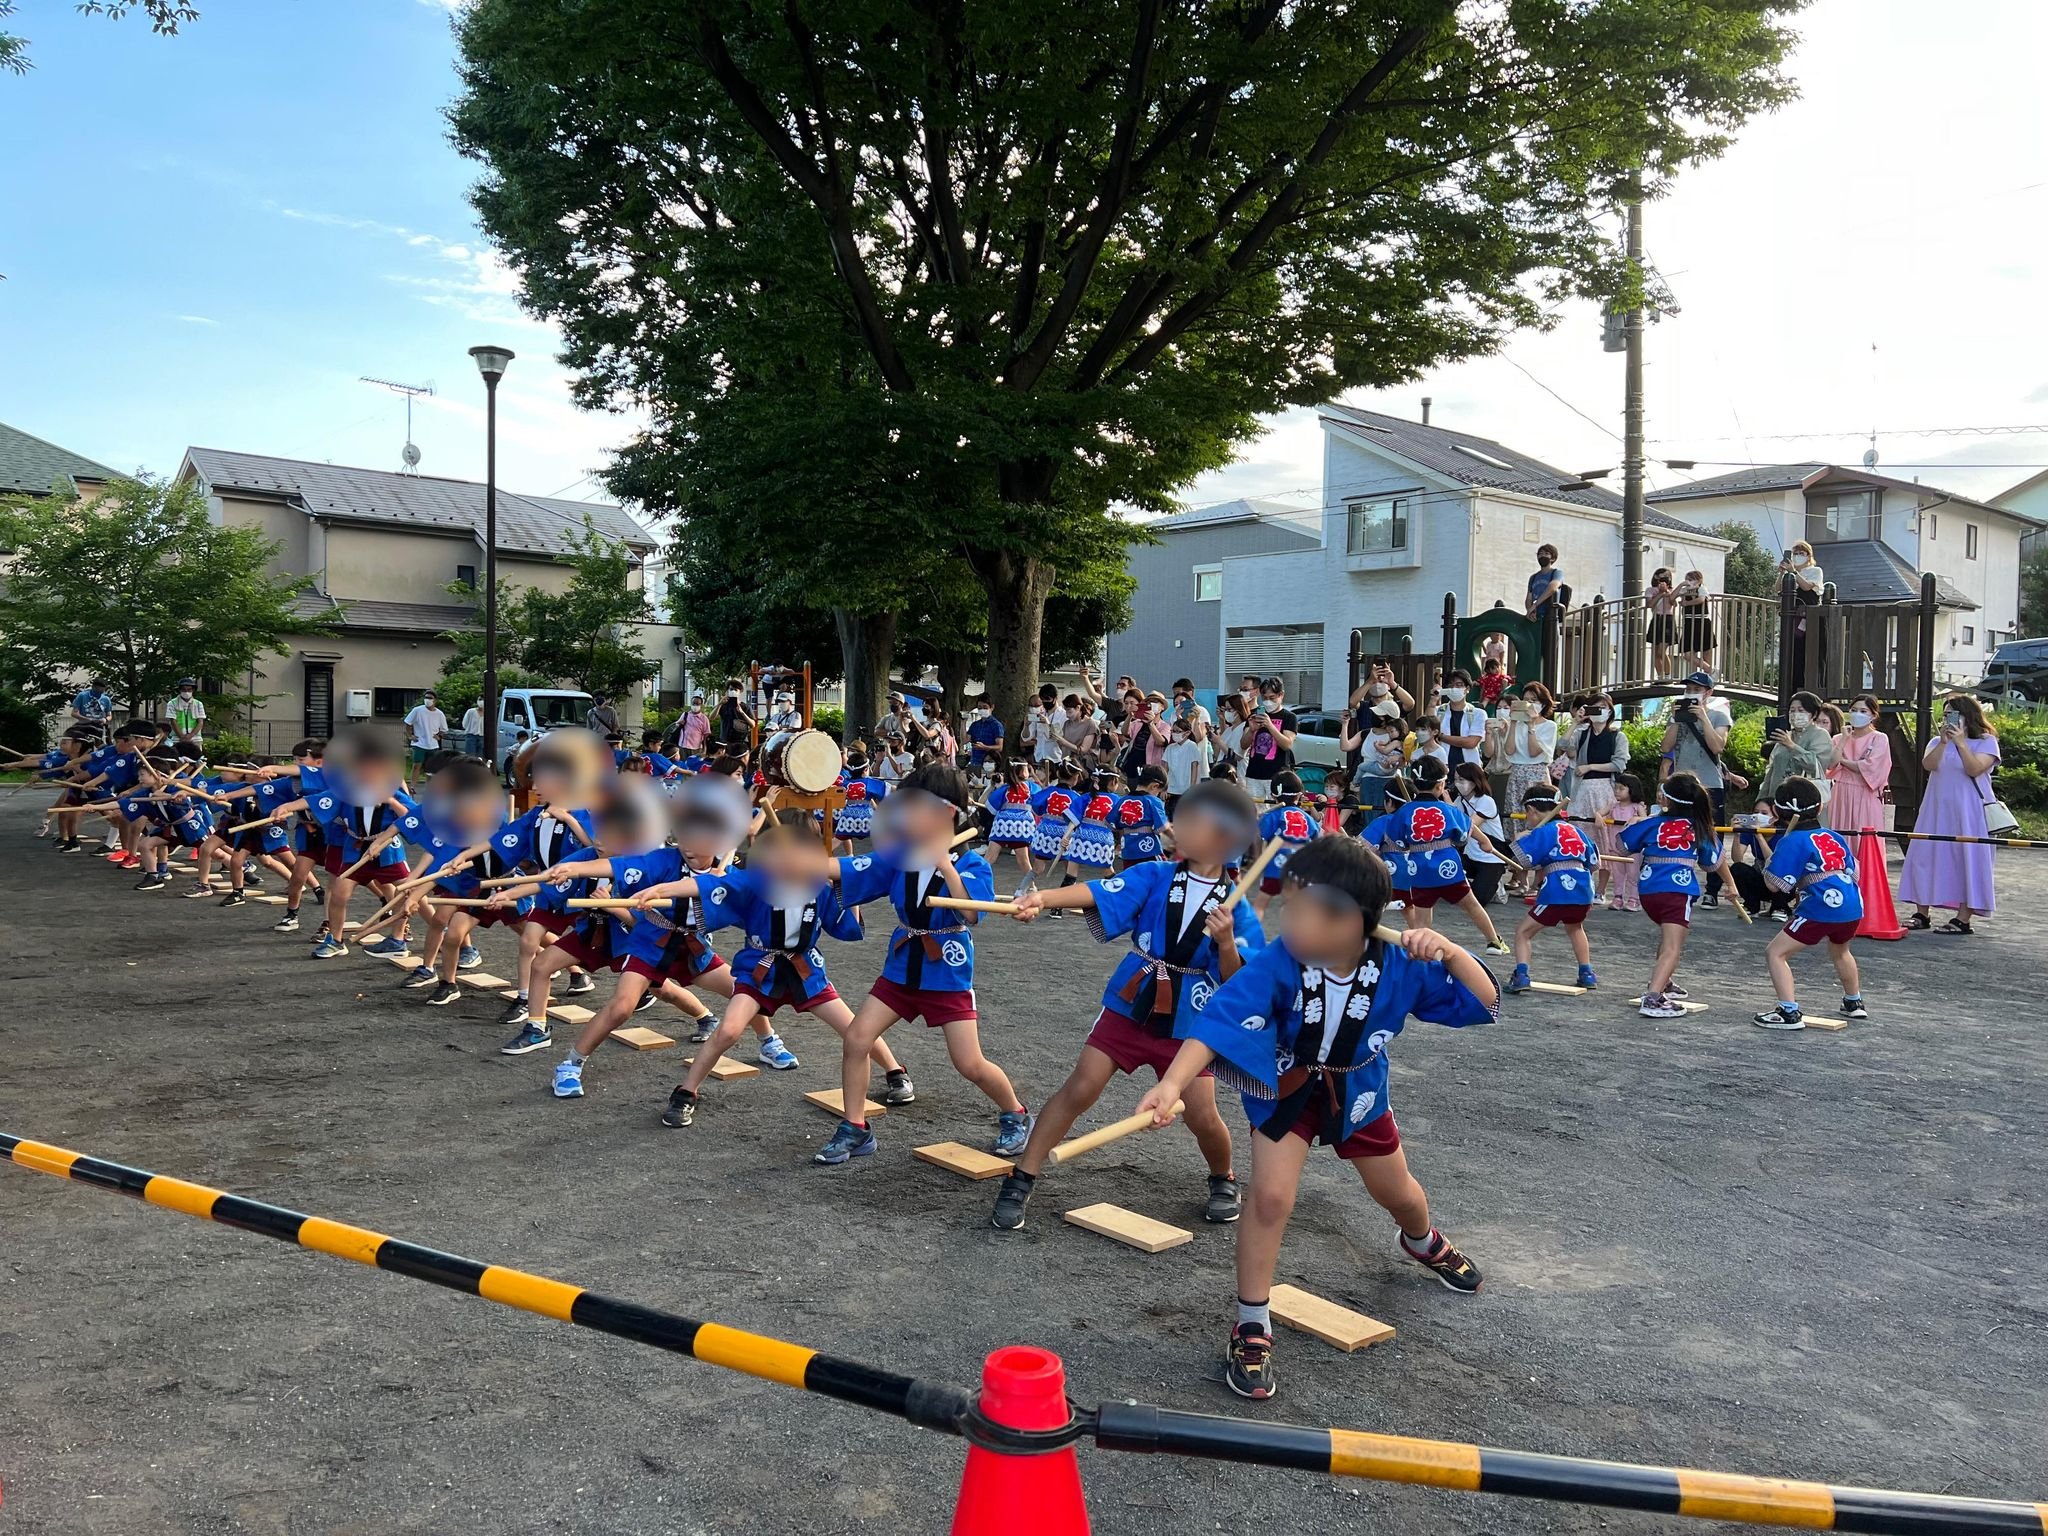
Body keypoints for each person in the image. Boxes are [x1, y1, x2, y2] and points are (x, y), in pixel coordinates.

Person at [1136, 835, 1499, 1401]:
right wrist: (1171, 1084)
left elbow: (1483, 1002)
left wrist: (1450, 951)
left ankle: (1422, 1240)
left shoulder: (1401, 962)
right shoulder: (1281, 960)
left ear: (1360, 922)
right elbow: (1218, 1022)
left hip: (1358, 1089)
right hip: (1287, 1084)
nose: (1296, 922)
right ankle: (1251, 1323)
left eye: (1315, 913)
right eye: (1293, 906)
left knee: (1399, 1192)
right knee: (1271, 1198)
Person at [991, 779, 1266, 1233]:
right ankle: (1022, 1177)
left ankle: (1223, 1178)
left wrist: (1224, 943)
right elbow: (1100, 892)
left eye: (1195, 820)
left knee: (1201, 1115)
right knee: (1080, 1087)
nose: (1180, 826)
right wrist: (1044, 897)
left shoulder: (1240, 911)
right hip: (1132, 997)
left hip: (1191, 1018)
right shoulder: (1156, 874)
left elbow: (1239, 983)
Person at [819, 763, 1031, 1165]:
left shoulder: (972, 863)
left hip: (946, 969)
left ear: (946, 812)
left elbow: (972, 914)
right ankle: (855, 1127)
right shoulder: (899, 855)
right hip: (903, 964)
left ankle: (1016, 1114)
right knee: (857, 1038)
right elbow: (848, 869)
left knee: (969, 1063)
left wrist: (946, 865)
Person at [1751, 778, 1868, 1030]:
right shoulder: (1833, 835)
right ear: (1818, 808)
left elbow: (1775, 885)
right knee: (1841, 950)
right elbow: (1854, 870)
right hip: (1852, 902)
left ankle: (1788, 1011)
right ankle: (1854, 1002)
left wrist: (1771, 859)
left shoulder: (1793, 840)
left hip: (1821, 905)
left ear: (1779, 812)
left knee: (1776, 952)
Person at [1618, 772, 1734, 1019]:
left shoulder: (1650, 823)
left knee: (1668, 938)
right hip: (1677, 892)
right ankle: (1653, 997)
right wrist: (1731, 885)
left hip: (1648, 891)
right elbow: (1713, 862)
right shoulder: (1699, 827)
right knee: (1673, 946)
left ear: (1666, 800)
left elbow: (1621, 846)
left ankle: (1665, 981)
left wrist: (1639, 823)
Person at [1898, 693, 2001, 935]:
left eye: (1953, 715)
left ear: (1968, 717)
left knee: (1968, 859)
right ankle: (1921, 912)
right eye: (1944, 715)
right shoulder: (1936, 741)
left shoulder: (1986, 741)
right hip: (1936, 809)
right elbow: (1928, 766)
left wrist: (1962, 743)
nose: (1948, 720)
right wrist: (1945, 742)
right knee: (1926, 855)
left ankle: (1963, 918)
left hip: (1970, 811)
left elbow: (1975, 769)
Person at [1385, 757, 1510, 953]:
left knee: (1422, 915)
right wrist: (1485, 842)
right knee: (1472, 905)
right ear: (1440, 785)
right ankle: (1494, 941)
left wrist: (1411, 846)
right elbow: (1465, 832)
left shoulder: (1404, 812)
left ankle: (1420, 949)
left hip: (1419, 869)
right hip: (1447, 867)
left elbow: (1396, 842)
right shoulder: (1447, 809)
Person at [1504, 785, 1598, 994]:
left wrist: (1521, 841)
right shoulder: (1576, 830)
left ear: (1532, 810)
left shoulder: (1543, 832)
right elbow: (1594, 863)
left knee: (1523, 932)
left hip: (1557, 891)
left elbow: (1521, 862)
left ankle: (1521, 975)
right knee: (1575, 927)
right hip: (1583, 890)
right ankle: (1587, 972)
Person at [1565, 693, 1628, 899]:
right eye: (1594, 707)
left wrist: (1590, 766)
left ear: (1610, 711)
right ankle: (1583, 884)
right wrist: (1576, 722)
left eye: (1603, 707)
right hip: (1581, 790)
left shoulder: (1617, 736)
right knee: (1581, 835)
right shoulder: (1582, 733)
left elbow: (1619, 764)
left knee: (1604, 839)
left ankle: (1601, 890)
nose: (1599, 711)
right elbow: (1563, 746)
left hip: (1605, 789)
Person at [1250, 772, 1321, 922]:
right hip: (1301, 867)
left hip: (1277, 864)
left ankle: (1251, 937)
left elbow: (1257, 837)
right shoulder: (1307, 818)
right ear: (1299, 795)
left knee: (1260, 904)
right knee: (1297, 907)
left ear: (1274, 795)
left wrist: (1257, 859)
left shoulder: (1272, 816)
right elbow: (1316, 842)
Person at [1758, 691, 1838, 808]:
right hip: (1778, 799)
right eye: (1792, 710)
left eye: (1801, 710)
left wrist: (1792, 746)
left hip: (1805, 801)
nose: (1795, 714)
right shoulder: (1787, 735)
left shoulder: (1820, 735)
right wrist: (1762, 800)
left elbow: (1815, 766)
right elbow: (1772, 771)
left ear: (1814, 714)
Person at [1829, 694, 1892, 835]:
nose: (1857, 714)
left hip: (1865, 793)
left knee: (1864, 837)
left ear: (1873, 715)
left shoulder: (1879, 738)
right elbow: (1831, 763)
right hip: (1840, 793)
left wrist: (1843, 761)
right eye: (1854, 710)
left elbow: (1870, 767)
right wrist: (1844, 739)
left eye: (1863, 711)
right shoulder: (1838, 738)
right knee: (1840, 834)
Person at [1502, 683, 1559, 837]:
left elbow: (1534, 752)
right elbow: (1509, 750)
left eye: (1534, 700)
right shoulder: (1517, 724)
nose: (1529, 704)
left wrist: (1531, 725)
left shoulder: (1549, 726)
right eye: (1525, 700)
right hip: (1516, 775)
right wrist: (1513, 721)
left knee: (1539, 815)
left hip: (1537, 775)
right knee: (1515, 817)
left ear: (1543, 703)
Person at [1450, 762, 1509, 907]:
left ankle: (1494, 883)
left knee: (1478, 900)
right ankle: (1473, 880)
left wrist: (1446, 800)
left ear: (1474, 781)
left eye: (1462, 780)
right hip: (1469, 854)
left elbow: (1469, 825)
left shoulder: (1486, 801)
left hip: (1491, 856)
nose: (1457, 783)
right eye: (1456, 779)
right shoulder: (1460, 800)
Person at [1242, 679, 1297, 802]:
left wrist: (1270, 726)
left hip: (1276, 774)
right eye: (1265, 698)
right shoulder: (1254, 715)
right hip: (1253, 772)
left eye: (1272, 698)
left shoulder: (1289, 717)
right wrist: (1251, 731)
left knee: (1274, 809)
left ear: (1281, 695)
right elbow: (1243, 744)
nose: (1268, 702)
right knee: (1255, 811)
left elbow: (1287, 744)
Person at [1603, 773, 1647, 912]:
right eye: (1616, 788)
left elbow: (1646, 820)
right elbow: (1599, 813)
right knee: (1618, 874)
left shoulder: (1637, 807)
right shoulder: (1613, 806)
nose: (1617, 791)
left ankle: (1634, 898)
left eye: (1621, 789)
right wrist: (1599, 817)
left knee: (1633, 874)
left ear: (1631, 790)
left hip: (1633, 848)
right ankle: (1618, 897)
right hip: (1615, 847)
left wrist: (1636, 819)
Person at [1436, 670, 1487, 772]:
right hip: (1442, 767)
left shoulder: (1478, 714)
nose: (1454, 688)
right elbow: (1428, 730)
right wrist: (1433, 700)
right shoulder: (1438, 711)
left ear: (1467, 688)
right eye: (1451, 685)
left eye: (1459, 685)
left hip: (1470, 769)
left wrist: (1441, 737)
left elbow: (1471, 743)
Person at [1677, 570, 1716, 673]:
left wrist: (1687, 603)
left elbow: (1701, 600)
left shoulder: (1702, 588)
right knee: (1687, 653)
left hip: (1702, 621)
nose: (1689, 582)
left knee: (1706, 650)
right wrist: (1681, 585)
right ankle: (1709, 670)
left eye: (1691, 579)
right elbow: (1673, 595)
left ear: (1699, 580)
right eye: (1687, 579)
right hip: (1689, 622)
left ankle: (1708, 677)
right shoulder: (1685, 590)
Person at [403, 690, 449, 774]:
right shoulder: (417, 710)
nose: (427, 700)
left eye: (430, 698)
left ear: (435, 700)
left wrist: (438, 735)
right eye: (426, 697)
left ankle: (430, 786)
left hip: (433, 745)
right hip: (419, 743)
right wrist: (410, 736)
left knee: (431, 769)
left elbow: (444, 729)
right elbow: (407, 723)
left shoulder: (439, 714)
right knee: (417, 766)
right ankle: (412, 786)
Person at [1645, 567, 1679, 679]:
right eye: (1660, 577)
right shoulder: (1650, 590)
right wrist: (1660, 594)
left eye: (1665, 578)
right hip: (1657, 618)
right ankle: (1660, 676)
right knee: (1655, 651)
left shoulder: (1671, 591)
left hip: (1668, 619)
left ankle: (1668, 675)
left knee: (1662, 651)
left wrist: (1668, 593)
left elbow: (1674, 603)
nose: (1662, 580)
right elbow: (1650, 604)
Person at [714, 679, 754, 757]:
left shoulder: (745, 707)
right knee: (726, 764)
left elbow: (753, 724)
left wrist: (742, 713)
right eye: (731, 689)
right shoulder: (724, 705)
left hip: (741, 741)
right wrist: (720, 704)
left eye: (735, 690)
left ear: (740, 692)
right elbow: (712, 717)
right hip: (725, 740)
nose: (733, 691)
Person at [1525, 544, 1564, 619]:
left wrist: (1535, 605)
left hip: (1551, 616)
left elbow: (1553, 587)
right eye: (1540, 554)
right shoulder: (1533, 577)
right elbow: (1529, 598)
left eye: (1546, 554)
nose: (1542, 556)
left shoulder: (1557, 573)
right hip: (1537, 617)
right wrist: (1530, 610)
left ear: (1553, 558)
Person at [167, 679, 206, 748]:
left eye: (189, 689)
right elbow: (173, 721)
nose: (186, 692)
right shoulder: (172, 703)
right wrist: (182, 737)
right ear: (179, 690)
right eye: (184, 690)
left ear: (193, 690)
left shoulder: (198, 704)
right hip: (177, 739)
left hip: (195, 739)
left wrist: (190, 736)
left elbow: (200, 722)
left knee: (196, 758)